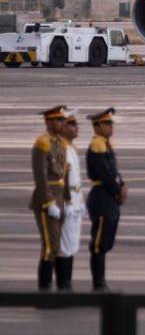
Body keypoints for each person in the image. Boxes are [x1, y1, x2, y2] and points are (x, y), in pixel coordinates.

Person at [86, 107, 126, 291]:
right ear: (98, 126)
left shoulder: (106, 145)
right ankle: (98, 283)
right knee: (99, 243)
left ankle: (100, 282)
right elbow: (106, 174)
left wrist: (122, 185)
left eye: (111, 123)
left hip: (108, 196)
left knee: (106, 240)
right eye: (107, 124)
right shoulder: (98, 146)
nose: (111, 127)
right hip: (102, 196)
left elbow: (114, 172)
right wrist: (118, 189)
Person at [31, 105, 68, 291]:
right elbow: (41, 176)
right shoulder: (42, 143)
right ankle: (44, 291)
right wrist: (49, 202)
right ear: (49, 122)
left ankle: (57, 289)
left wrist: (67, 201)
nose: (63, 123)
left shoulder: (59, 142)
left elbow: (64, 174)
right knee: (49, 247)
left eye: (62, 120)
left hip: (59, 199)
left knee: (56, 246)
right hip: (47, 201)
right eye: (59, 120)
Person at [58, 111, 84, 290]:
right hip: (66, 202)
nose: (77, 128)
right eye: (72, 125)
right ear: (63, 127)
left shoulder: (72, 149)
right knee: (63, 245)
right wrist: (65, 201)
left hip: (75, 202)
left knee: (72, 243)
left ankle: (67, 283)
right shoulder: (60, 149)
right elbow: (61, 179)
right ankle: (63, 286)